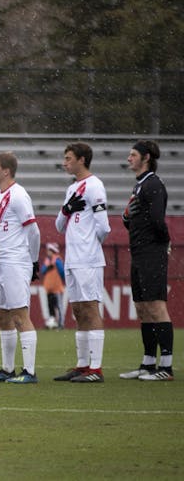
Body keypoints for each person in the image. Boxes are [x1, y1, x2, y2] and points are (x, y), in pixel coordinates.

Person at [53, 143, 111, 383]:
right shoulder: (72, 188)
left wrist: (89, 245)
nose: (65, 162)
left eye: (68, 158)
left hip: (87, 258)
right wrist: (66, 209)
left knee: (90, 307)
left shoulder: (95, 185)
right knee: (78, 310)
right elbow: (58, 225)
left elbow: (104, 227)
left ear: (82, 159)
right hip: (73, 259)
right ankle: (82, 365)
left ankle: (95, 369)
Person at [119, 140, 174, 381]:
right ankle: (148, 362)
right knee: (142, 307)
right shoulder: (139, 186)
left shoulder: (153, 185)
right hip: (139, 252)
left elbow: (157, 221)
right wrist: (127, 218)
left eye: (133, 155)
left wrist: (163, 244)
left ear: (146, 157)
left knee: (156, 305)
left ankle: (166, 366)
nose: (129, 158)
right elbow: (135, 219)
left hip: (152, 252)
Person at [0, 152, 41, 384]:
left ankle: (29, 371)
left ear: (6, 171)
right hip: (0, 259)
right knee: (1, 314)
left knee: (20, 314)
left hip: (16, 260)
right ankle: (8, 369)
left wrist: (34, 260)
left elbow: (33, 231)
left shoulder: (18, 195)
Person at [40, 243, 65, 329]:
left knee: (58, 306)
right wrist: (47, 267)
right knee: (50, 306)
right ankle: (52, 322)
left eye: (49, 250)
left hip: (56, 288)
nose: (47, 252)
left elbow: (62, 272)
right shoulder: (47, 261)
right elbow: (42, 271)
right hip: (49, 288)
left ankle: (61, 324)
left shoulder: (57, 260)